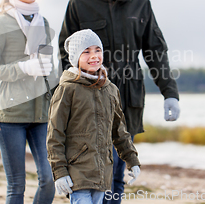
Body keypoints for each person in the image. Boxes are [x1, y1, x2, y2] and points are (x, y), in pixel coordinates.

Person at [58, 0, 180, 204]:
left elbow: (155, 52)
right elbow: (64, 55)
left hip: (127, 101)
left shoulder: (141, 4)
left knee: (116, 173)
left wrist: (170, 93)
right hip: (86, 104)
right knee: (89, 169)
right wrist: (66, 97)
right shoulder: (79, 5)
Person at [0, 0, 55, 204]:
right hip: (9, 116)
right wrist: (23, 67)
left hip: (41, 115)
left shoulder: (42, 23)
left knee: (50, 178)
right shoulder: (1, 23)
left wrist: (49, 71)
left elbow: (46, 68)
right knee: (17, 186)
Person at [47, 29, 141, 204]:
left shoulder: (110, 89)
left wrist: (132, 160)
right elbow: (55, 134)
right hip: (77, 172)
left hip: (103, 173)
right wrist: (59, 172)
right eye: (86, 51)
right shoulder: (67, 89)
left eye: (97, 50)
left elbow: (119, 132)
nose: (94, 56)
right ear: (76, 57)